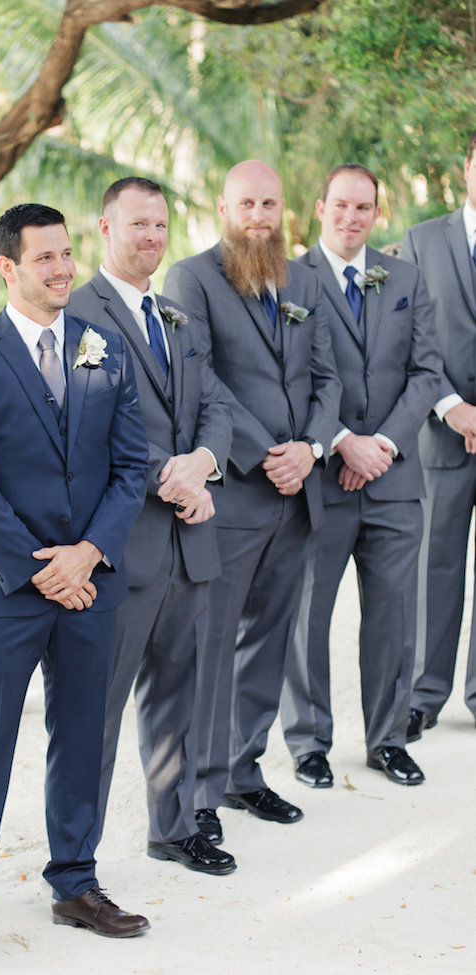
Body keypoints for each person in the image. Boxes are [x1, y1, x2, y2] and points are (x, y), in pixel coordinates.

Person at [0, 203, 150, 967]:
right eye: (45, 257)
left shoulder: (104, 349)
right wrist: (39, 569)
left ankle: (75, 882)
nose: (63, 269)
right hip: (6, 590)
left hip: (91, 583)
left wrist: (87, 553)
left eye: (66, 254)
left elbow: (131, 466)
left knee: (84, 737)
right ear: (8, 267)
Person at [163, 160, 341, 842]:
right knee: (214, 644)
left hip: (298, 496)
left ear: (284, 208)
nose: (259, 215)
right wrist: (270, 450)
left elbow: (325, 378)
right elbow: (200, 377)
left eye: (270, 203)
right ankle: (199, 790)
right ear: (223, 206)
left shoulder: (299, 278)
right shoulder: (193, 278)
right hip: (237, 492)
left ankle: (244, 772)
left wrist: (312, 448)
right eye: (247, 203)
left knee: (269, 640)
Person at [68, 177, 235, 874]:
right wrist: (171, 473)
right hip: (122, 544)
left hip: (188, 543)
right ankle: (74, 859)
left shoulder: (177, 316)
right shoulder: (76, 310)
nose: (153, 237)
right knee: (95, 710)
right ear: (104, 228)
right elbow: (86, 427)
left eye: (161, 225)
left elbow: (218, 404)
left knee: (178, 694)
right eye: (139, 224)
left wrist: (203, 462)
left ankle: (171, 828)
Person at [280, 164, 442, 789]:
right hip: (322, 480)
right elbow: (290, 377)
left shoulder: (405, 276)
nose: (352, 218)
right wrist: (344, 443)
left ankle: (388, 739)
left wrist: (383, 447)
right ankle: (309, 742)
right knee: (308, 613)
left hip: (394, 481)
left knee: (393, 618)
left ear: (378, 213)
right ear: (320, 206)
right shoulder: (292, 278)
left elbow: (426, 373)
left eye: (364, 208)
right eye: (341, 206)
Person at [401, 132, 476, 740]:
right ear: (468, 167)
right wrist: (451, 406)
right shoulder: (424, 241)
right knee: (436, 566)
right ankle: (423, 694)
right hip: (442, 436)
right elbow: (411, 338)